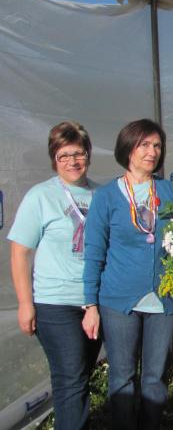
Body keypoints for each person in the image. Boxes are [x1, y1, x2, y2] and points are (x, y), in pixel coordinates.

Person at [82, 119, 173, 430]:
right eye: (144, 145)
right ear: (128, 148)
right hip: (117, 301)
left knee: (155, 378)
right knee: (122, 377)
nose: (152, 152)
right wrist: (90, 304)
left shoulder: (169, 192)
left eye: (157, 146)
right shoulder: (107, 196)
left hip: (163, 300)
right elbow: (94, 251)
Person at [8, 121, 101, 430]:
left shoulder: (101, 195)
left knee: (79, 376)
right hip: (54, 302)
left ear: (88, 154)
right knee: (71, 377)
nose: (72, 161)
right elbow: (20, 252)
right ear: (54, 159)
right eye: (64, 155)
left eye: (78, 153)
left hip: (93, 303)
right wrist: (25, 304)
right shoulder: (41, 196)